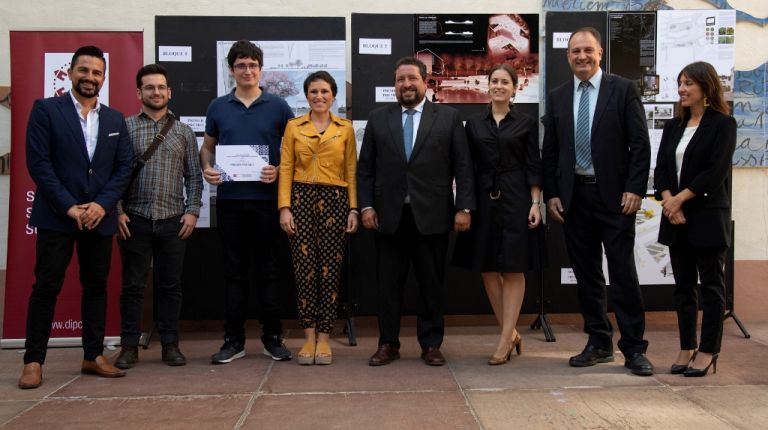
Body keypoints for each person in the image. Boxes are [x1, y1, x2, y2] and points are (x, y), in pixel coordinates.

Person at [18, 45, 133, 389]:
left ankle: (92, 355)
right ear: (70, 73)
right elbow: (39, 164)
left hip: (99, 217)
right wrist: (70, 206)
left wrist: (101, 205)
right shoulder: (46, 110)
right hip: (57, 216)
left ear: (104, 78)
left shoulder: (114, 119)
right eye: (84, 70)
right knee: (46, 287)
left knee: (96, 287)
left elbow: (123, 167)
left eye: (97, 72)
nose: (90, 77)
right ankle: (33, 361)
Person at [541, 28, 653, 376]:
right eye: (575, 51)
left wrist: (635, 189)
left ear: (600, 53)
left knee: (622, 273)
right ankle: (599, 342)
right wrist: (552, 194)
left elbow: (640, 145)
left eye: (588, 50)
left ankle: (634, 348)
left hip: (616, 198)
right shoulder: (558, 96)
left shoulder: (623, 90)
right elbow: (552, 153)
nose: (582, 57)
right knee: (587, 275)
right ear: (568, 57)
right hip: (575, 198)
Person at [358, 57, 475, 367]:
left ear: (426, 82)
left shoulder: (448, 118)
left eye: (412, 78)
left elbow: (463, 166)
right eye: (400, 80)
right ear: (394, 85)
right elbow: (365, 169)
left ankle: (431, 344)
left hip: (434, 216)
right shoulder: (378, 118)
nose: (406, 84)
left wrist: (463, 206)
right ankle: (388, 344)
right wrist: (366, 206)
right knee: (388, 286)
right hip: (388, 217)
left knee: (431, 285)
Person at [200, 40, 294, 364]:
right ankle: (234, 341)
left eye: (253, 65)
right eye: (241, 65)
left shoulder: (279, 107)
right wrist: (207, 169)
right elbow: (207, 148)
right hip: (230, 202)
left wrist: (280, 169)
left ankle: (272, 338)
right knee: (233, 273)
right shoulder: (218, 107)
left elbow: (294, 151)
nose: (248, 70)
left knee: (269, 272)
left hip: (268, 202)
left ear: (260, 69)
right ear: (231, 70)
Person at [113, 64, 203, 369]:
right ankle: (129, 346)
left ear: (169, 92)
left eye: (161, 87)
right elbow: (112, 175)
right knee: (133, 285)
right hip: (134, 219)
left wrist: (192, 212)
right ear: (139, 92)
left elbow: (194, 176)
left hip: (172, 220)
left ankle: (170, 344)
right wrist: (118, 211)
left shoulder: (183, 132)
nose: (156, 92)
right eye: (149, 87)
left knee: (170, 286)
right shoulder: (125, 128)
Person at [453, 64, 541, 365]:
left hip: (517, 199)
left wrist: (535, 203)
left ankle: (505, 338)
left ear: (515, 88)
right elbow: (465, 168)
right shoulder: (474, 124)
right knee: (487, 266)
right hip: (482, 200)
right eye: (494, 81)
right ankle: (511, 331)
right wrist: (464, 205)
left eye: (505, 82)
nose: (499, 86)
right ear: (487, 86)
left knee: (513, 267)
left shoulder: (526, 123)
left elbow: (533, 166)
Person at [654, 61, 736, 377]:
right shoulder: (673, 126)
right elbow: (661, 168)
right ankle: (686, 346)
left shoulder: (723, 124)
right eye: (680, 83)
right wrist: (668, 202)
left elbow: (714, 173)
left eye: (688, 83)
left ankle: (708, 350)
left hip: (706, 216)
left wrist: (678, 200)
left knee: (712, 287)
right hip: (675, 218)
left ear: (705, 86)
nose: (682, 89)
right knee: (683, 287)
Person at [278, 71, 358, 365]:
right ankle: (308, 337)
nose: (319, 96)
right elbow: (285, 167)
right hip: (300, 200)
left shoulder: (345, 128)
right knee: (304, 271)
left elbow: (351, 171)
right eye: (313, 91)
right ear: (306, 95)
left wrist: (353, 209)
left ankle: (325, 338)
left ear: (333, 96)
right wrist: (284, 207)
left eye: (325, 91)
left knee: (330, 271)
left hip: (336, 202)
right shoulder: (293, 127)